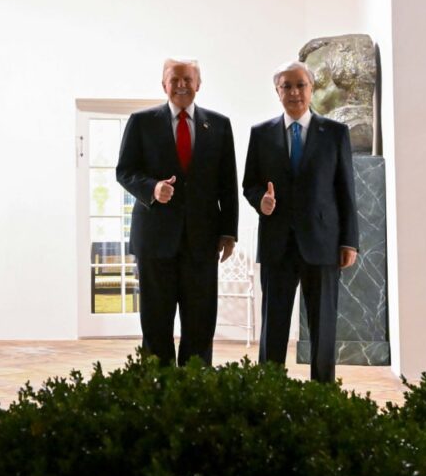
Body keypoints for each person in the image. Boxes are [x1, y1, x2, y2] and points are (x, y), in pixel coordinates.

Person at [117, 58, 239, 366]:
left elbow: (227, 183)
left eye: (188, 79)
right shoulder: (141, 122)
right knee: (156, 323)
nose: (182, 85)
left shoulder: (219, 125)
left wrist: (228, 232)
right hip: (154, 241)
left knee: (200, 323)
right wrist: (152, 188)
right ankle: (158, 386)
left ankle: (196, 385)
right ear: (164, 85)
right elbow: (125, 171)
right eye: (175, 79)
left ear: (199, 84)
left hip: (203, 241)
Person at [243, 60, 359, 382]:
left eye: (300, 85)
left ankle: (322, 393)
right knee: (273, 324)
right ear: (277, 91)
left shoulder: (335, 133)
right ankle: (269, 388)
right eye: (287, 86)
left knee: (323, 325)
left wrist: (349, 241)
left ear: (312, 88)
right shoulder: (261, 134)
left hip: (323, 244)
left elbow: (346, 190)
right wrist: (261, 201)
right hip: (276, 243)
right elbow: (250, 184)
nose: (294, 92)